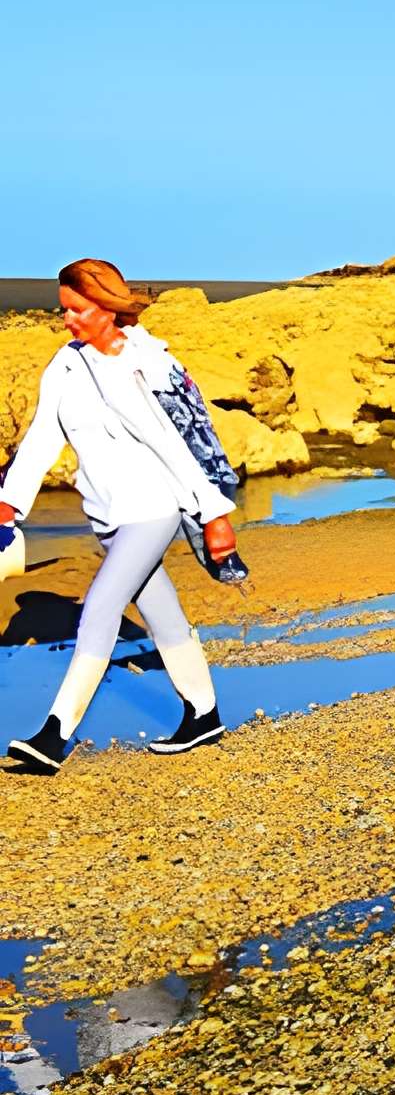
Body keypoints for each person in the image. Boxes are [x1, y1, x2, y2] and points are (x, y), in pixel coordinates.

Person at [2, 261, 242, 771]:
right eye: (63, 310)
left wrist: (214, 512)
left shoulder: (145, 364)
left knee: (100, 607)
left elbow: (181, 446)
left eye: (78, 310)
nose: (67, 320)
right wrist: (11, 504)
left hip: (153, 507)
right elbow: (43, 438)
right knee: (162, 614)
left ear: (108, 307)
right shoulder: (65, 366)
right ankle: (204, 713)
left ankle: (53, 735)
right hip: (107, 514)